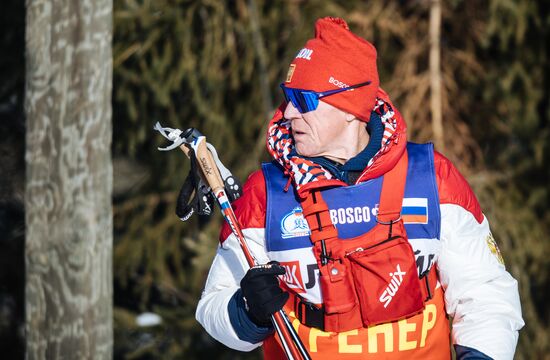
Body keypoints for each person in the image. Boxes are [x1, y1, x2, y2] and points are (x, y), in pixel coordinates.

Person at [196, 17, 523, 359]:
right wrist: (246, 313)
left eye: (303, 99)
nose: (289, 112)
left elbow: (485, 295)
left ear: (349, 106)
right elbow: (213, 305)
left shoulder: (432, 178)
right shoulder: (266, 193)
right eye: (287, 97)